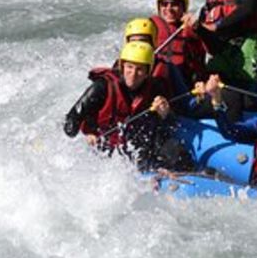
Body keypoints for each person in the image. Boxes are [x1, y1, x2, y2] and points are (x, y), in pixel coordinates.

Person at [63, 40, 190, 171]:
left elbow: (172, 124)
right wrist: (89, 136)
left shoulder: (156, 88)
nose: (133, 74)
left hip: (137, 146)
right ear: (122, 67)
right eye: (129, 67)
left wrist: (165, 113)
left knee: (178, 156)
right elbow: (71, 122)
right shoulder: (101, 87)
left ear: (148, 71)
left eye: (139, 69)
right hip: (104, 146)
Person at [149, 0, 209, 86]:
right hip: (158, 80)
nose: (169, 9)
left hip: (186, 82)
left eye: (174, 4)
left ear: (183, 7)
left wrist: (199, 29)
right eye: (164, 4)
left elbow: (209, 47)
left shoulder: (194, 29)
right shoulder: (150, 26)